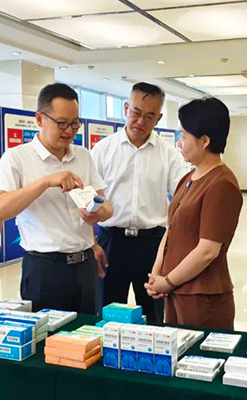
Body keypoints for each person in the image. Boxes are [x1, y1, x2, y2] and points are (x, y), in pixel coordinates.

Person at [0, 83, 113, 313]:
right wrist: (45, 182)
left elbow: (106, 206)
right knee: (47, 334)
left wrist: (98, 213)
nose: (69, 131)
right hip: (45, 269)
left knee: (86, 332)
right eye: (61, 123)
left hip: (85, 266)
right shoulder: (17, 158)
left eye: (75, 123)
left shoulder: (83, 156)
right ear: (39, 118)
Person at [145, 97, 243, 330]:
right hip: (177, 290)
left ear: (204, 141)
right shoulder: (189, 178)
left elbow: (207, 250)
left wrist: (168, 282)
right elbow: (170, 230)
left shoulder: (221, 184)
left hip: (202, 298)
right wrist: (157, 275)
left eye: (184, 136)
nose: (179, 143)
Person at [91, 82, 185, 323]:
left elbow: (182, 200)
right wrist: (91, 243)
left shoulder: (168, 154)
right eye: (136, 112)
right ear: (126, 108)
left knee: (154, 314)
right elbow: (87, 201)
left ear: (159, 118)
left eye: (149, 116)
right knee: (108, 313)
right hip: (111, 241)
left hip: (152, 244)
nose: (140, 122)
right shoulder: (102, 150)